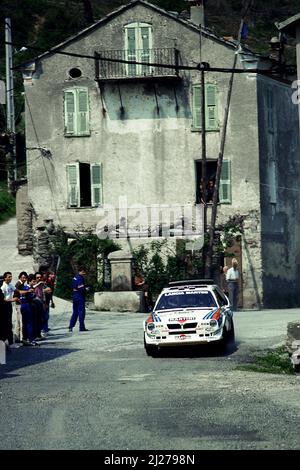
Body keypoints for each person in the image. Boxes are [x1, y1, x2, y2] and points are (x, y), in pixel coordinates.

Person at [69, 266, 89, 332]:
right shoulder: (80, 278)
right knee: (81, 312)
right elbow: (81, 288)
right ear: (82, 271)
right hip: (80, 296)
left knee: (75, 312)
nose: (85, 274)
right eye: (84, 272)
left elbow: (74, 286)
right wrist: (86, 289)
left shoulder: (75, 277)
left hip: (75, 296)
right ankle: (82, 327)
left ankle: (71, 326)